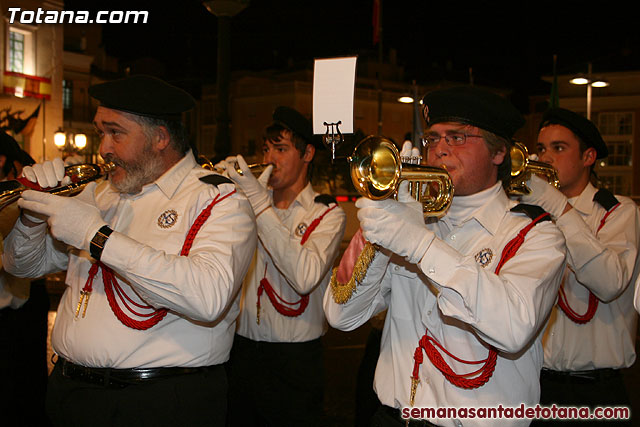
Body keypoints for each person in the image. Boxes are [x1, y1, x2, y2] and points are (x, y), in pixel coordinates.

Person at [1, 75, 257, 426]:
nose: (103, 147)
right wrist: (32, 215)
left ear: (160, 138)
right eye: (100, 132)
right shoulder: (100, 194)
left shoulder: (220, 199)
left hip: (160, 402)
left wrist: (96, 235)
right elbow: (22, 268)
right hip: (71, 393)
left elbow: (207, 296)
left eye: (115, 133)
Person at [324, 86, 567, 427]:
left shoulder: (535, 235)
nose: (439, 151)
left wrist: (420, 245)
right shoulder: (413, 220)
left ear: (498, 152)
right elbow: (341, 315)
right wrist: (382, 230)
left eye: (456, 138)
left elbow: (513, 327)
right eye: (432, 139)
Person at [219, 106, 346, 426]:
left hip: (296, 360)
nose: (270, 158)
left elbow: (304, 277)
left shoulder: (327, 214)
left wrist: (259, 205)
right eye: (266, 149)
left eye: (281, 149)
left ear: (307, 154)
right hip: (241, 351)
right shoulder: (247, 204)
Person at [521, 108, 640, 424]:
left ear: (588, 157)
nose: (546, 158)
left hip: (595, 392)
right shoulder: (532, 217)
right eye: (542, 148)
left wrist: (560, 208)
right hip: (538, 385)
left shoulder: (618, 212)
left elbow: (609, 282)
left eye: (559, 148)